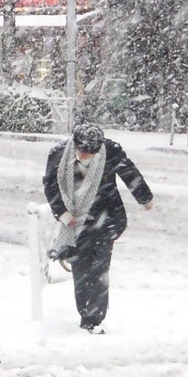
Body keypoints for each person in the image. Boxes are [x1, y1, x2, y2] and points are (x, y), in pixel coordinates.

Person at [42, 122, 153, 334]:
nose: (86, 156)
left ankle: (94, 318)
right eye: (82, 151)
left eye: (91, 151)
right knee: (81, 269)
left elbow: (129, 173)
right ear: (74, 144)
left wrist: (144, 198)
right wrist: (63, 213)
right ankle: (85, 313)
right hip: (75, 221)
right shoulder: (58, 155)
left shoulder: (110, 151)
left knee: (100, 268)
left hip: (106, 217)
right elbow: (50, 185)